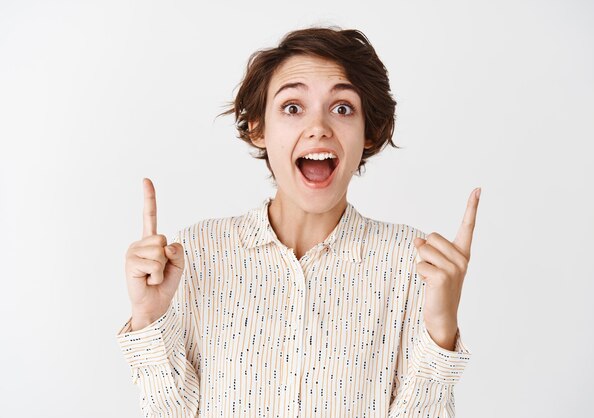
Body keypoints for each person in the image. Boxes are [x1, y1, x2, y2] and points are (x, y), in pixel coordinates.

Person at [116, 26, 480, 417]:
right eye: (292, 107)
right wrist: (149, 320)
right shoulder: (196, 252)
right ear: (258, 128)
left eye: (342, 108)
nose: (319, 127)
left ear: (369, 132)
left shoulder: (414, 263)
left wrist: (441, 330)